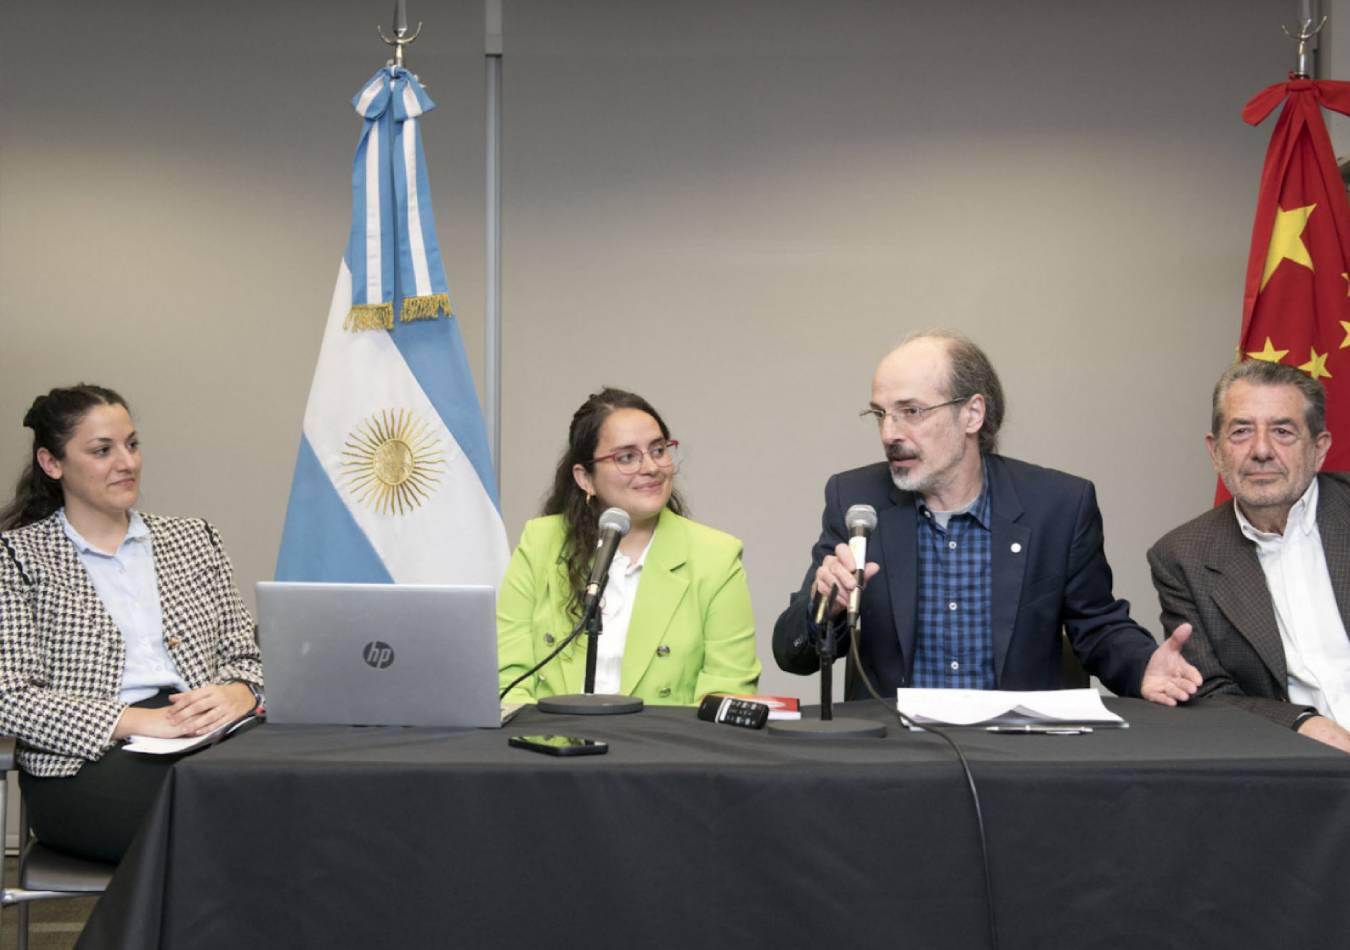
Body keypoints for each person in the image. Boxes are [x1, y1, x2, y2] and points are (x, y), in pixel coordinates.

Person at [773, 331, 1200, 703]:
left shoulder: (1058, 506)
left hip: (1016, 751)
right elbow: (792, 655)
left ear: (972, 414)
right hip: (899, 754)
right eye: (880, 414)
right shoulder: (856, 501)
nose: (890, 433)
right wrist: (824, 606)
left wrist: (1143, 666)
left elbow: (1098, 627)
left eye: (911, 411)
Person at [0, 385, 263, 863]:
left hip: (208, 736)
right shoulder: (16, 557)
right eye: (103, 450)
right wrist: (137, 721)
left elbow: (247, 655)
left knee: (293, 791)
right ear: (52, 463)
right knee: (223, 825)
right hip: (86, 762)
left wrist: (239, 692)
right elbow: (10, 698)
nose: (127, 462)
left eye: (132, 444)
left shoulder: (194, 539)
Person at [498, 387, 761, 704]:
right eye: (627, 457)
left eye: (658, 450)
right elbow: (506, 681)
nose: (651, 467)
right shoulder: (540, 543)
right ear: (585, 478)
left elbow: (728, 691)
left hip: (663, 736)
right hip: (550, 733)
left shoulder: (715, 556)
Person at [1149, 360, 1350, 753]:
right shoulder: (1183, 557)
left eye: (1283, 432)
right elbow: (1211, 691)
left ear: (1319, 448)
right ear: (1215, 452)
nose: (1261, 450)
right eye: (1241, 432)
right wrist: (1301, 723)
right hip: (1302, 765)